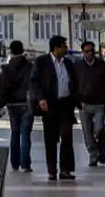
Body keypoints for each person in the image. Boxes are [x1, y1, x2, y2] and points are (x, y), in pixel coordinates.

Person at [31, 35, 78, 181]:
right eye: (64, 46)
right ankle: (52, 170)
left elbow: (74, 82)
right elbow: (33, 83)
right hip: (50, 106)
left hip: (65, 105)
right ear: (56, 48)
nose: (66, 48)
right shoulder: (41, 62)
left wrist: (76, 98)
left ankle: (65, 169)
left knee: (67, 136)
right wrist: (40, 99)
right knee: (50, 139)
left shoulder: (68, 63)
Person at [74, 40, 105, 168]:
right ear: (83, 52)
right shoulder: (78, 66)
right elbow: (74, 84)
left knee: (100, 130)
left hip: (99, 104)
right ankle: (93, 155)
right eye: (87, 51)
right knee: (87, 132)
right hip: (84, 104)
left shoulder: (101, 65)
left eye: (92, 51)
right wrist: (76, 100)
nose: (90, 53)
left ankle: (101, 148)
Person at [0, 41, 34, 173]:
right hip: (26, 104)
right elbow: (33, 84)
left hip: (12, 104)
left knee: (15, 132)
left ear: (10, 52)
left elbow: (3, 88)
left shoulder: (6, 68)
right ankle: (26, 164)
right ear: (23, 50)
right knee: (26, 134)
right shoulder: (29, 67)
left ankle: (14, 163)